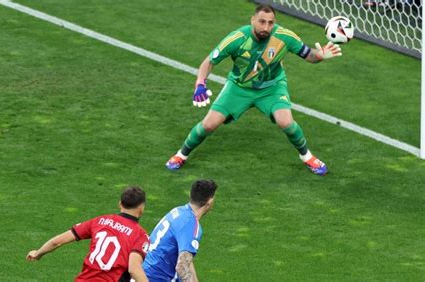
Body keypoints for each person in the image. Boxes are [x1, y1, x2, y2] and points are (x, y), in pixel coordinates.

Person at [166, 4, 342, 176]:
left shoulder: (284, 36)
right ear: (253, 20)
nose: (266, 27)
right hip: (239, 87)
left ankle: (307, 156)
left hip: (272, 87)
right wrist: (200, 84)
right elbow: (209, 61)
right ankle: (181, 155)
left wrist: (319, 56)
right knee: (208, 125)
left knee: (286, 123)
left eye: (270, 22)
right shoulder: (237, 38)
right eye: (262, 21)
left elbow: (308, 55)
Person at [26, 186, 150, 282]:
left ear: (120, 203)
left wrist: (38, 253)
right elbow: (134, 269)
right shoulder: (140, 235)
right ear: (141, 208)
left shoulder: (100, 221)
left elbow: (57, 241)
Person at [143, 180, 218, 281]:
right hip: (157, 278)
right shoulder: (191, 226)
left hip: (144, 271)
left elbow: (186, 258)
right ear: (209, 201)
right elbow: (182, 268)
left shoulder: (179, 211)